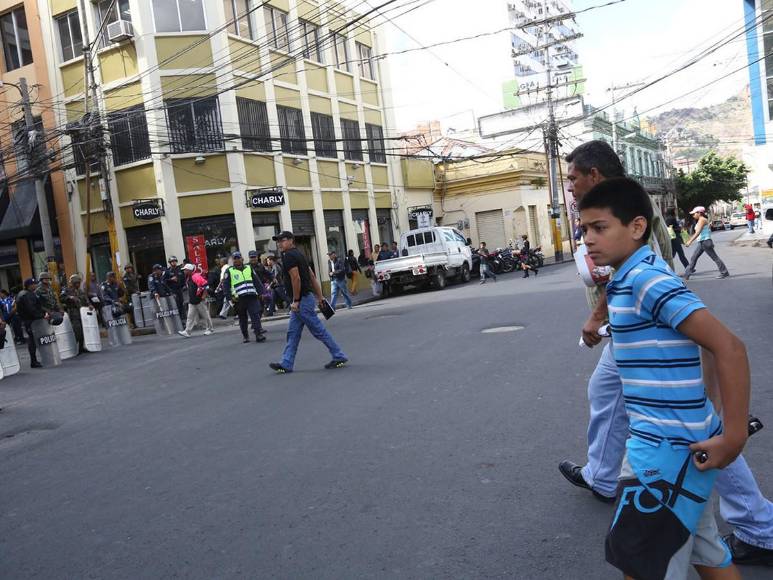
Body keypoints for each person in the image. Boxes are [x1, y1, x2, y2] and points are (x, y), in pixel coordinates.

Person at [560, 140, 773, 568]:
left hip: (660, 447)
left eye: (572, 177)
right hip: (647, 351)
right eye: (585, 232)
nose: (589, 239)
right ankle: (604, 474)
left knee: (641, 559)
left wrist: (729, 431)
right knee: (707, 549)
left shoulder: (637, 258)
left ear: (594, 177)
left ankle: (758, 524)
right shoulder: (628, 235)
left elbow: (722, 343)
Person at [269, 231, 347, 373]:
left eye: (283, 240)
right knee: (292, 333)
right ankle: (286, 363)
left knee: (318, 330)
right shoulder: (300, 255)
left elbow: (296, 278)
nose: (280, 243)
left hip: (301, 301)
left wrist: (296, 300)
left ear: (291, 240)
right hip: (304, 299)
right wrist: (320, 296)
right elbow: (311, 276)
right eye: (278, 241)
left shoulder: (289, 256)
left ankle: (339, 355)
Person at [221, 251, 265, 343]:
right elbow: (226, 286)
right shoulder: (229, 271)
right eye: (235, 258)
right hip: (238, 299)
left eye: (238, 258)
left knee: (255, 315)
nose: (237, 260)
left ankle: (258, 334)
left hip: (251, 296)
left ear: (242, 259)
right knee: (242, 318)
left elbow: (256, 281)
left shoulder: (249, 268)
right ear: (233, 260)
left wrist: (261, 292)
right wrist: (229, 298)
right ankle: (245, 336)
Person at [682, 206, 730, 280]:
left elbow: (698, 232)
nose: (693, 215)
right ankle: (686, 275)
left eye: (694, 213)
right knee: (694, 258)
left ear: (699, 213)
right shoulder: (700, 220)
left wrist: (690, 241)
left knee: (715, 258)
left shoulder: (702, 220)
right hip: (702, 242)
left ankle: (724, 272)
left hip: (705, 242)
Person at [16, 278, 46, 368]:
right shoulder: (26, 295)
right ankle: (33, 361)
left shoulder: (25, 293)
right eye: (34, 284)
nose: (36, 285)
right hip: (31, 321)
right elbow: (31, 309)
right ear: (29, 285)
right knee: (32, 341)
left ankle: (35, 360)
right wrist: (41, 316)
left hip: (29, 320)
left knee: (34, 340)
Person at [178, 263, 213, 338]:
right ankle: (187, 331)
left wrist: (204, 295)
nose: (184, 271)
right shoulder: (189, 277)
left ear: (189, 270)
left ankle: (210, 329)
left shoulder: (195, 276)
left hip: (199, 299)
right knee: (190, 316)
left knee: (205, 315)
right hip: (192, 300)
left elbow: (205, 285)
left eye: (185, 270)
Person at [60, 274, 92, 354]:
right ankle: (73, 347)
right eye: (76, 283)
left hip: (82, 312)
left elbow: (85, 298)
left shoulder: (80, 291)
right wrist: (69, 297)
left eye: (79, 283)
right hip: (73, 312)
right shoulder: (66, 290)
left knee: (83, 329)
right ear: (73, 283)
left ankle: (81, 347)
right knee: (77, 330)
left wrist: (89, 304)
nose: (78, 284)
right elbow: (61, 298)